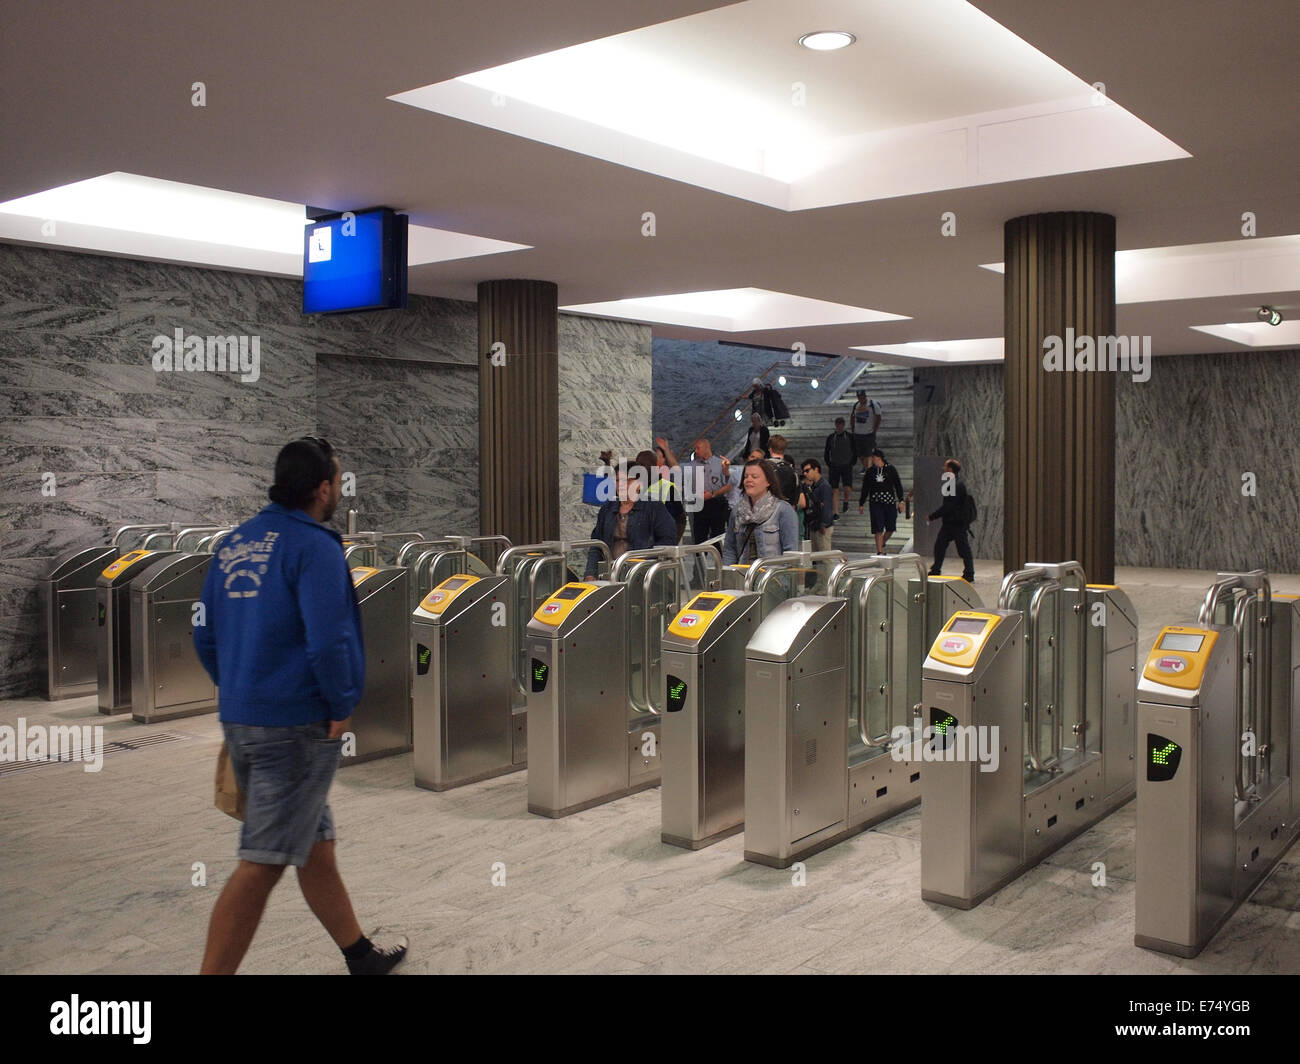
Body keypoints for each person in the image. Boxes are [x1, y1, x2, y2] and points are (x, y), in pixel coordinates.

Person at [195, 437, 407, 976]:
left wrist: (242, 686)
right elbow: (328, 639)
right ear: (321, 489)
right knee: (262, 863)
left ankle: (359, 955)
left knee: (314, 842)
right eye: (337, 479)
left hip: (243, 717)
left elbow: (202, 633)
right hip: (294, 726)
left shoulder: (235, 543)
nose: (338, 489)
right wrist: (341, 701)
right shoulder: (314, 546)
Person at [585, 457, 677, 577]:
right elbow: (596, 545)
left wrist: (646, 564)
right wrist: (590, 573)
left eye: (627, 481)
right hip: (610, 573)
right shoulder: (607, 509)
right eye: (618, 481)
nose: (621, 485)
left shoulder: (653, 507)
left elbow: (668, 540)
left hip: (642, 576)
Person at [721, 458, 799, 564]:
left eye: (754, 477)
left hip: (771, 577)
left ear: (768, 482)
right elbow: (730, 550)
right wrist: (729, 575)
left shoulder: (783, 510)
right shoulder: (737, 511)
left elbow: (791, 553)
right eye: (746, 476)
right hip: (743, 576)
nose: (748, 480)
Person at [927, 458, 975, 582]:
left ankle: (969, 573)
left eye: (946, 467)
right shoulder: (954, 483)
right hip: (951, 522)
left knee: (962, 548)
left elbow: (948, 506)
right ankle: (936, 569)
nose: (943, 469)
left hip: (956, 523)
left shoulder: (954, 485)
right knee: (940, 545)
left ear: (950, 469)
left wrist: (932, 516)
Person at [859, 449, 906, 554]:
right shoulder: (870, 471)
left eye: (873, 458)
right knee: (878, 527)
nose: (872, 460)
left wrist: (901, 500)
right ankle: (879, 551)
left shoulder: (890, 469)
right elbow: (865, 488)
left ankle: (882, 542)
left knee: (891, 527)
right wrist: (861, 503)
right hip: (876, 502)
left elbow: (898, 485)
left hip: (889, 501)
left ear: (878, 458)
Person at [684, 437, 729, 544]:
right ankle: (700, 560)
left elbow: (728, 486)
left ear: (707, 447)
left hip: (716, 504)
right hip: (699, 505)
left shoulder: (720, 464)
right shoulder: (692, 465)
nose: (696, 451)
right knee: (699, 539)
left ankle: (719, 560)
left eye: (698, 448)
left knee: (717, 537)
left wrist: (712, 494)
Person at [645, 446, 686, 543]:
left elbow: (680, 519)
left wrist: (672, 543)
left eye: (656, 457)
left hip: (663, 542)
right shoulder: (637, 484)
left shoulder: (668, 484)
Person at [823, 416, 857, 514]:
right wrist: (829, 463)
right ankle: (836, 511)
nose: (839, 427)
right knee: (834, 489)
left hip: (846, 465)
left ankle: (846, 501)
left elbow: (854, 449)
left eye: (841, 424)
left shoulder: (850, 437)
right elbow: (827, 451)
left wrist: (852, 461)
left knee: (847, 486)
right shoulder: (831, 437)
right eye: (838, 424)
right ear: (836, 425)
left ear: (843, 425)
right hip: (834, 465)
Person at [801, 458, 835, 553]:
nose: (805, 474)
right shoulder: (814, 486)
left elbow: (827, 507)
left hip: (822, 526)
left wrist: (823, 524)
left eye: (807, 471)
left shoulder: (824, 486)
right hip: (815, 525)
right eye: (804, 471)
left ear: (816, 469)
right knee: (817, 557)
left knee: (824, 557)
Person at [850, 388, 882, 474]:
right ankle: (866, 467)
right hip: (857, 433)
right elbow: (852, 417)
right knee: (859, 453)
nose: (860, 399)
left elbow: (878, 417)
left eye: (862, 397)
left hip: (868, 433)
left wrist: (874, 429)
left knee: (868, 452)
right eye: (859, 397)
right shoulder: (856, 405)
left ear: (865, 396)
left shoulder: (872, 405)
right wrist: (853, 429)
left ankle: (869, 470)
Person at [766, 434, 799, 506]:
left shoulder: (763, 467)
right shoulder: (792, 471)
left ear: (770, 449)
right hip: (786, 509)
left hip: (766, 509)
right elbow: (795, 496)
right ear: (784, 449)